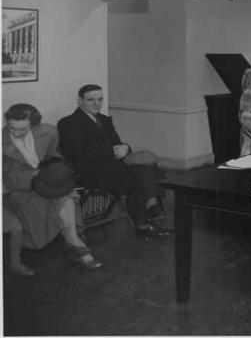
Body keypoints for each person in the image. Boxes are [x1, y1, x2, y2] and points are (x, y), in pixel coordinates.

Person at [57, 85, 171, 239]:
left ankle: (147, 215)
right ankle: (150, 211)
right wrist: (111, 151)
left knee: (142, 171)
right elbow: (76, 155)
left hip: (114, 167)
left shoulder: (104, 119)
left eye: (100, 99)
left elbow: (117, 143)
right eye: (91, 100)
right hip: (89, 171)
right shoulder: (68, 123)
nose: (97, 103)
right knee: (142, 174)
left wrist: (125, 147)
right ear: (80, 101)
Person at [3, 103, 102, 272]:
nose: (17, 133)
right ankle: (76, 246)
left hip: (45, 180)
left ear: (34, 126)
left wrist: (51, 172)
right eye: (12, 128)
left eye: (22, 130)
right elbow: (4, 177)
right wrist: (31, 178)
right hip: (18, 187)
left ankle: (73, 239)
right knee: (47, 200)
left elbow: (54, 157)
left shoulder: (48, 133)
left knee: (65, 195)